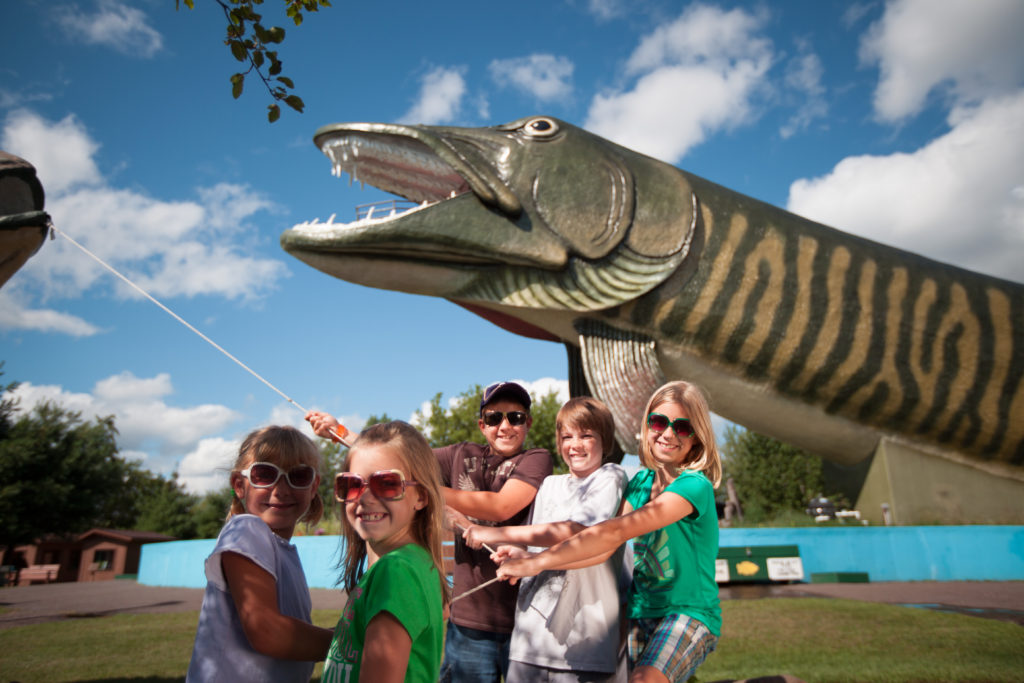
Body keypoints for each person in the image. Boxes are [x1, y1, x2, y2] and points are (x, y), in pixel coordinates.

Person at [307, 380, 552, 682]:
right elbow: (395, 456)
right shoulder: (460, 453)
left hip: (520, 618)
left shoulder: (536, 458)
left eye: (515, 418)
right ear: (481, 424)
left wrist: (422, 487)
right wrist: (341, 432)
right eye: (493, 418)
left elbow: (501, 506)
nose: (504, 425)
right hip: (469, 621)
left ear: (527, 423)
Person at [497, 381, 723, 683]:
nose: (667, 433)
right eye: (658, 422)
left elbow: (615, 531)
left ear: (696, 437)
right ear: (647, 426)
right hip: (641, 612)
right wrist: (533, 557)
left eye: (681, 427)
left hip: (687, 613)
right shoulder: (640, 482)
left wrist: (536, 562)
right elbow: (602, 548)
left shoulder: (693, 486)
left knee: (644, 680)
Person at [463, 396, 631, 682]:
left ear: (606, 440)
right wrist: (521, 556)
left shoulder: (611, 476)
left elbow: (576, 531)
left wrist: (493, 533)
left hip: (584, 644)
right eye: (567, 436)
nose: (575, 445)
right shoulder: (550, 485)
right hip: (529, 642)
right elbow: (542, 548)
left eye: (586, 435)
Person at [186, 425, 334, 683]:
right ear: (239, 485)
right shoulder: (247, 529)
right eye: (265, 474)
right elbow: (267, 631)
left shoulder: (283, 550)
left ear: (313, 486)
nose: (281, 489)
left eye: (298, 475)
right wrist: (349, 643)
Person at [321, 421, 450, 683]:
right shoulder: (412, 564)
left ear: (421, 497)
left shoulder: (397, 572)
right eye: (352, 484)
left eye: (387, 483)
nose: (365, 497)